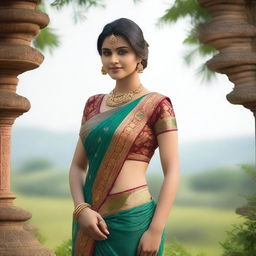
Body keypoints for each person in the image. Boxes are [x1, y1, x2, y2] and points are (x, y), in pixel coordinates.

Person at [69, 17, 180, 256]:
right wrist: (81, 209)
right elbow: (77, 167)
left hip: (133, 222)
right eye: (106, 52)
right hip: (89, 221)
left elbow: (172, 171)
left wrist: (156, 230)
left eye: (122, 52)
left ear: (139, 56)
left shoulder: (157, 104)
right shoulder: (92, 105)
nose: (113, 60)